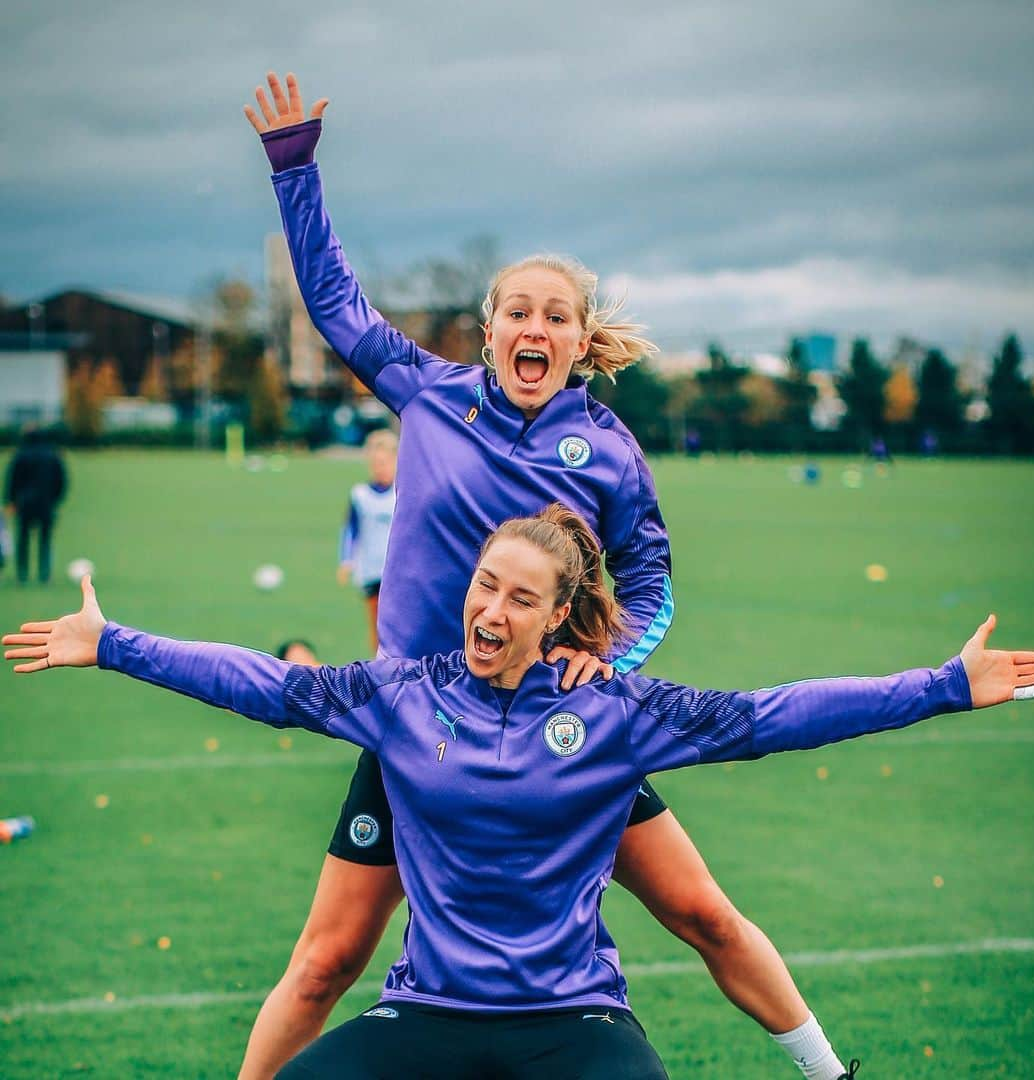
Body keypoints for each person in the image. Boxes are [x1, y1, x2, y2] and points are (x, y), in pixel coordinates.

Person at [241, 70, 853, 1080]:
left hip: (559, 734)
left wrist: (600, 658)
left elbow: (650, 586)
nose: (535, 329)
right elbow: (336, 306)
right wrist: (296, 171)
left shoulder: (610, 450)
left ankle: (832, 1073)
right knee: (323, 965)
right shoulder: (429, 396)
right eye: (516, 312)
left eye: (556, 317)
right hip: (420, 730)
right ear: (489, 331)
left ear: (579, 341)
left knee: (703, 912)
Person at [3, 506, 1034, 1079]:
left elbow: (769, 717)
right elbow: (262, 684)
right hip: (424, 1016)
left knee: (705, 924)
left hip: (576, 1023)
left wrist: (941, 687)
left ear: (558, 618)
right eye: (484, 586)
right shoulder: (398, 698)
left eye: (521, 597)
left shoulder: (615, 715)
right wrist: (114, 644)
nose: (493, 609)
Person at [336, 429, 398, 653]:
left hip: (398, 572)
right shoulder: (360, 495)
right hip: (371, 571)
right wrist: (346, 561)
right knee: (378, 626)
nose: (380, 467)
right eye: (376, 462)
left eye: (385, 462)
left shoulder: (402, 492)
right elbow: (350, 529)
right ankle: (380, 670)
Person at [4, 426, 68, 585]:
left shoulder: (20, 455)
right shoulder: (53, 455)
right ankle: (45, 575)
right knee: (45, 540)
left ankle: (22, 574)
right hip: (46, 504)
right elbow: (61, 481)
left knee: (23, 540)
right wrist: (55, 500)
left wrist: (10, 501)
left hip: (24, 503)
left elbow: (12, 480)